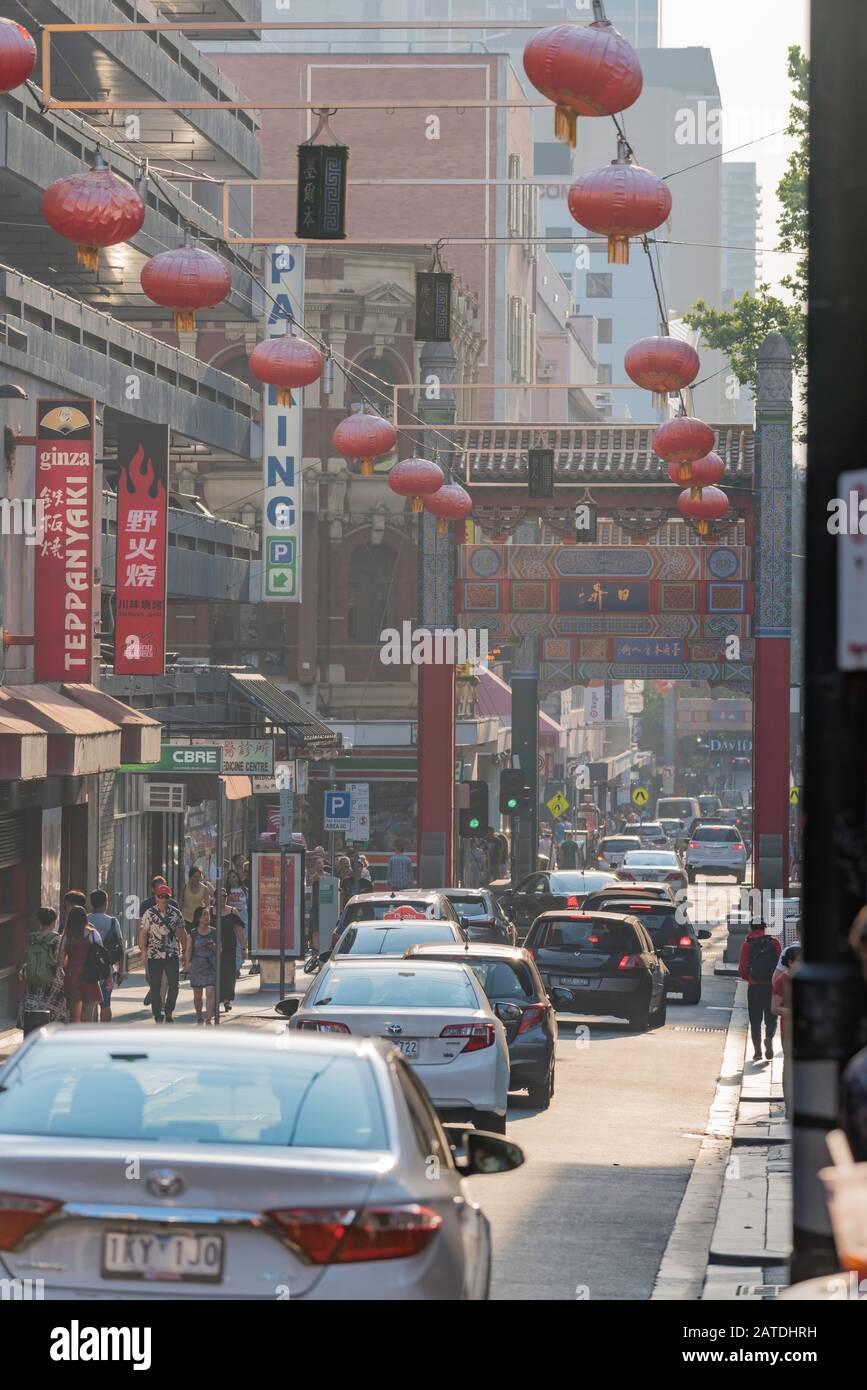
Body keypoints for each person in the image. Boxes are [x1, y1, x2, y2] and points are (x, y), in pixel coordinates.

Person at [139, 885, 185, 1023]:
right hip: (154, 954)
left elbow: (182, 932)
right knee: (155, 985)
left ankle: (169, 1011)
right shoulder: (149, 913)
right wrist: (143, 951)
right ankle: (157, 1013)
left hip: (172, 954)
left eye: (167, 897)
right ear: (156, 898)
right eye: (161, 896)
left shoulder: (176, 913)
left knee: (174, 985)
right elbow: (143, 932)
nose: (164, 899)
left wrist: (185, 951)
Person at [738, 920, 782, 1062]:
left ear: (751, 928)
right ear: (765, 928)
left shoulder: (747, 944)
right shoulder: (774, 942)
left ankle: (757, 1052)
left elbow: (742, 969)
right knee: (771, 1017)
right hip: (771, 986)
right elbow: (780, 966)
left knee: (755, 1020)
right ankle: (768, 1038)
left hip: (755, 987)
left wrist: (750, 978)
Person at [18, 907, 66, 1025]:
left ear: (39, 921)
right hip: (53, 980)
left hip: (33, 979)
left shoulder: (31, 937)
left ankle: (31, 1032)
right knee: (52, 1014)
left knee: (33, 1010)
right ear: (54, 921)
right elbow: (61, 962)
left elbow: (24, 957)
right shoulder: (57, 939)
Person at [61, 905, 106, 1024]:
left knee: (74, 1018)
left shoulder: (67, 936)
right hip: (89, 976)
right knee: (87, 1018)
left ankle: (73, 1040)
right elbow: (102, 956)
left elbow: (61, 961)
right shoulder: (93, 934)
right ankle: (85, 1040)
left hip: (71, 977)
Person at [771, 942, 801, 1115]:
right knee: (789, 1066)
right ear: (790, 962)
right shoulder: (782, 980)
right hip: (788, 1030)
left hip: (803, 1031)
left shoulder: (804, 980)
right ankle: (790, 1106)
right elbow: (774, 1008)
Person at [88, 890, 126, 1023]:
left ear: (91, 903)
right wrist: (121, 971)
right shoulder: (113, 922)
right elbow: (121, 948)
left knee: (89, 1003)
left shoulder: (86, 920)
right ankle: (104, 1032)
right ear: (106, 903)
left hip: (88, 969)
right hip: (107, 970)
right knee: (105, 1004)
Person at [184, 904, 217, 1024]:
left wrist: (214, 946)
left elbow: (220, 950)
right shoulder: (192, 933)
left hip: (211, 965)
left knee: (210, 992)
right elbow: (188, 950)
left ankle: (209, 1018)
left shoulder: (214, 932)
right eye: (204, 914)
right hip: (197, 966)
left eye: (208, 914)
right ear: (198, 918)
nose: (207, 917)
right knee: (198, 996)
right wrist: (187, 964)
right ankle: (199, 1016)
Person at [217, 893, 247, 1014]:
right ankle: (215, 999)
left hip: (229, 948)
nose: (222, 898)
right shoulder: (209, 911)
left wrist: (244, 948)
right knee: (216, 974)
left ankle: (226, 999)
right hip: (213, 949)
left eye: (224, 896)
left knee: (229, 975)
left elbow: (239, 932)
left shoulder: (233, 912)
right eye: (219, 896)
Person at [225, 868, 249, 974]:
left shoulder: (244, 889)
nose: (232, 879)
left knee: (241, 943)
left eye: (234, 877)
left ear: (238, 877)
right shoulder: (226, 891)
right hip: (232, 921)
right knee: (234, 944)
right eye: (229, 878)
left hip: (244, 920)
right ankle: (236, 967)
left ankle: (238, 965)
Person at [180, 864, 211, 931]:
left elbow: (207, 905)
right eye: (194, 877)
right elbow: (180, 903)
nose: (196, 879)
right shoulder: (185, 887)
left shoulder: (204, 888)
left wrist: (207, 918)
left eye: (198, 877)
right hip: (186, 918)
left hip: (198, 919)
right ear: (190, 877)